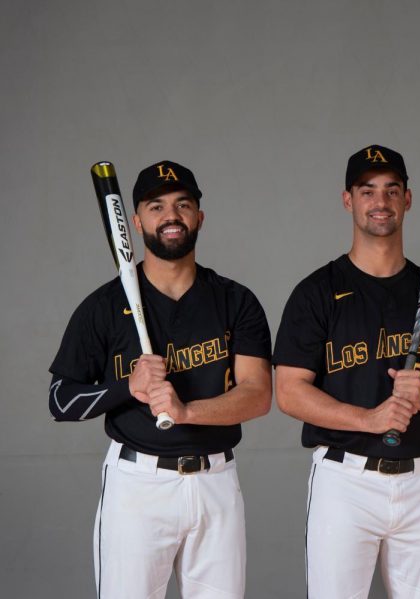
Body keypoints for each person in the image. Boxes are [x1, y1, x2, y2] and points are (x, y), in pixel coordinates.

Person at [49, 160, 272, 598]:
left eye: (182, 204)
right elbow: (60, 399)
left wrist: (186, 410)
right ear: (135, 221)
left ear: (198, 217)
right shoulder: (104, 306)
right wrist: (125, 388)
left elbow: (257, 395)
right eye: (156, 206)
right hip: (138, 488)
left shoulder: (235, 300)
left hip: (216, 483)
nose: (171, 215)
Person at [273, 145, 420, 598]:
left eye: (391, 190)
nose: (380, 202)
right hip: (345, 482)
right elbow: (288, 392)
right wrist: (368, 419)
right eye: (367, 191)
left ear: (408, 200)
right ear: (349, 200)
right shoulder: (317, 293)